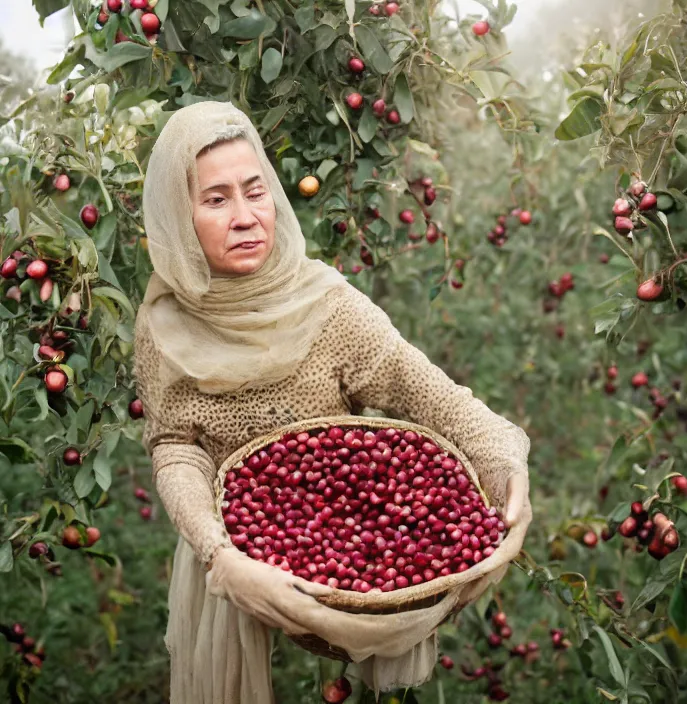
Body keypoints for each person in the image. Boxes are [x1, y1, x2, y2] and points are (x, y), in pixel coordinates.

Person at [131, 101, 532, 704]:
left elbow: (434, 397)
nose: (245, 217)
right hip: (238, 577)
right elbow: (175, 446)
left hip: (356, 571)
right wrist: (219, 552)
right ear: (178, 216)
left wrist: (504, 459)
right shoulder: (162, 323)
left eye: (255, 192)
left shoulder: (329, 307)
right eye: (215, 200)